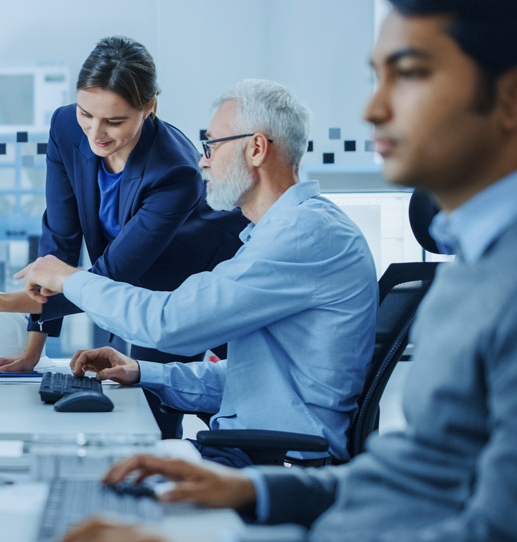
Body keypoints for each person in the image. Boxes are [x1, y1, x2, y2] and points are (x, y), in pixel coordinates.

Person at [40, 0, 517, 542]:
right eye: (376, 76)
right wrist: (250, 487)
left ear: (515, 97)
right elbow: (416, 478)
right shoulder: (478, 263)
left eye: (411, 73)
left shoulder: (315, 237)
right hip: (306, 494)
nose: (373, 107)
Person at [19, 79, 377, 465]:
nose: (203, 160)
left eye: (212, 145)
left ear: (255, 148)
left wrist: (69, 278)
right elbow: (249, 383)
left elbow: (168, 323)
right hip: (256, 450)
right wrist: (143, 372)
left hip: (280, 464)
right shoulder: (278, 232)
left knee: (88, 475)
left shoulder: (303, 234)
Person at [0, 36, 247, 438]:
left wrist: (1, 303)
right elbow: (59, 243)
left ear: (150, 108)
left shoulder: (175, 173)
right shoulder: (65, 128)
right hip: (132, 285)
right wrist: (30, 352)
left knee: (158, 417)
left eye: (115, 121)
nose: (96, 132)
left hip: (188, 287)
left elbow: (109, 278)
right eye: (86, 113)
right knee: (126, 403)